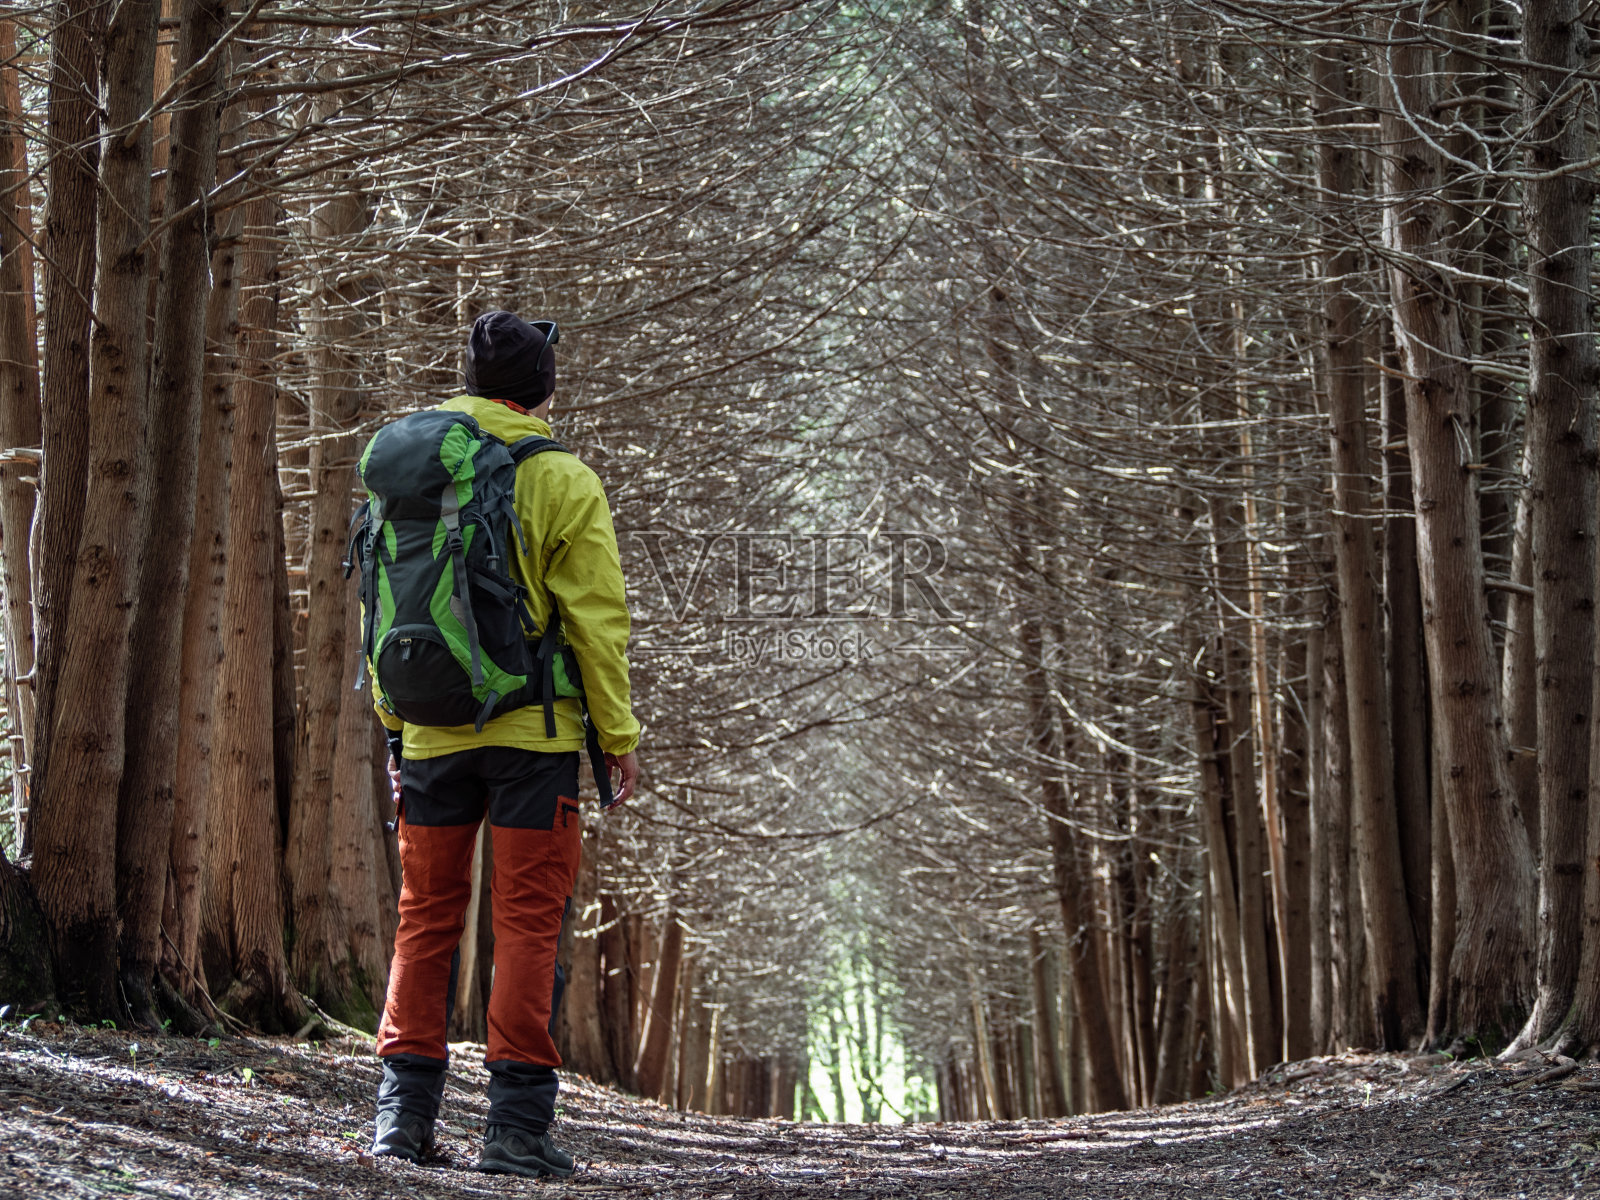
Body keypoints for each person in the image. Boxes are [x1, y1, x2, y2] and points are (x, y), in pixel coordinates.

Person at [368, 310, 640, 1178]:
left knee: (424, 918)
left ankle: (399, 1123)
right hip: (536, 740)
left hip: (429, 733)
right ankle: (516, 1133)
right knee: (526, 924)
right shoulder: (563, 478)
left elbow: (386, 601)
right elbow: (597, 623)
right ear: (544, 389)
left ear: (479, 384)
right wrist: (618, 736)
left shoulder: (414, 465)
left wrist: (395, 723)